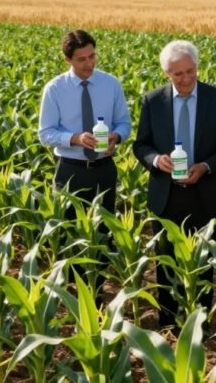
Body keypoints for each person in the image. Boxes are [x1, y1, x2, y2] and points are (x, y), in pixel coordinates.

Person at [132, 40, 216, 330]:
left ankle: (200, 322)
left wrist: (205, 167)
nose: (186, 79)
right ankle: (168, 320)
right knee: (166, 261)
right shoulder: (153, 100)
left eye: (190, 71)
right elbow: (142, 145)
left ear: (197, 67)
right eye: (178, 74)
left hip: (206, 193)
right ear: (167, 74)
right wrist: (155, 160)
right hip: (167, 194)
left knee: (203, 262)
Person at [38, 30, 131, 296]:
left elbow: (124, 122)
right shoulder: (55, 89)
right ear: (67, 59)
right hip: (70, 171)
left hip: (104, 170)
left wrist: (117, 136)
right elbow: (45, 133)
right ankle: (75, 294)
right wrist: (75, 138)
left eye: (92, 56)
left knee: (103, 232)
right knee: (71, 233)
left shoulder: (111, 84)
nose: (89, 63)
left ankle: (97, 290)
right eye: (81, 59)